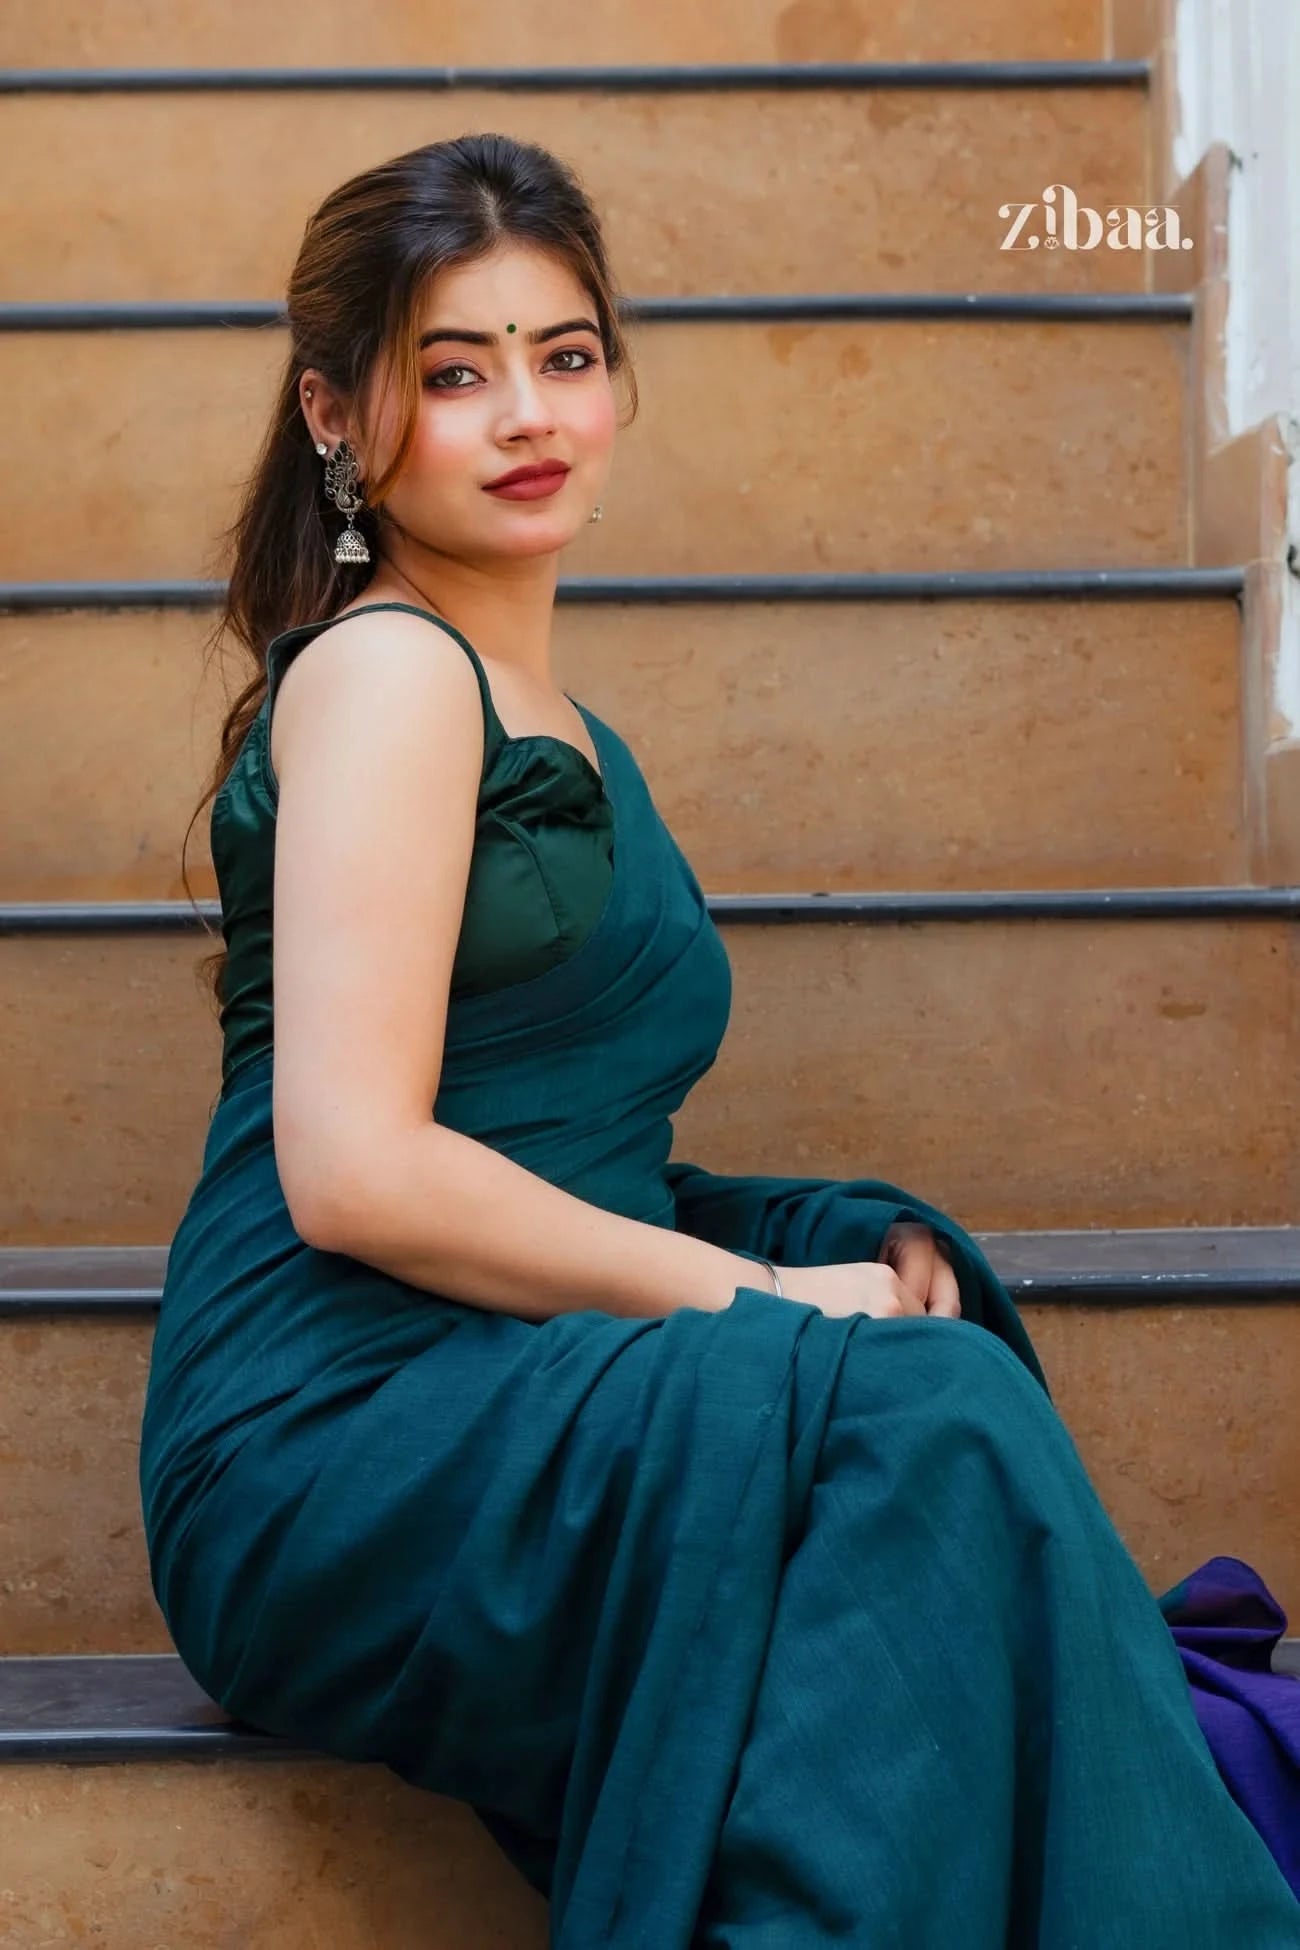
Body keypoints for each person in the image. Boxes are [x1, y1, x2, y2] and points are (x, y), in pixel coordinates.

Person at [137, 131, 1300, 1946]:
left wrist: (805, 1238)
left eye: (568, 354)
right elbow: (355, 1168)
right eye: (456, 371)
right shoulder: (386, 671)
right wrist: (761, 1305)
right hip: (332, 1426)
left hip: (493, 1368)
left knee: (928, 1371)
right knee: (918, 1427)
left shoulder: (566, 722)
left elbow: (562, 1140)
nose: (527, 411)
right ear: (339, 420)